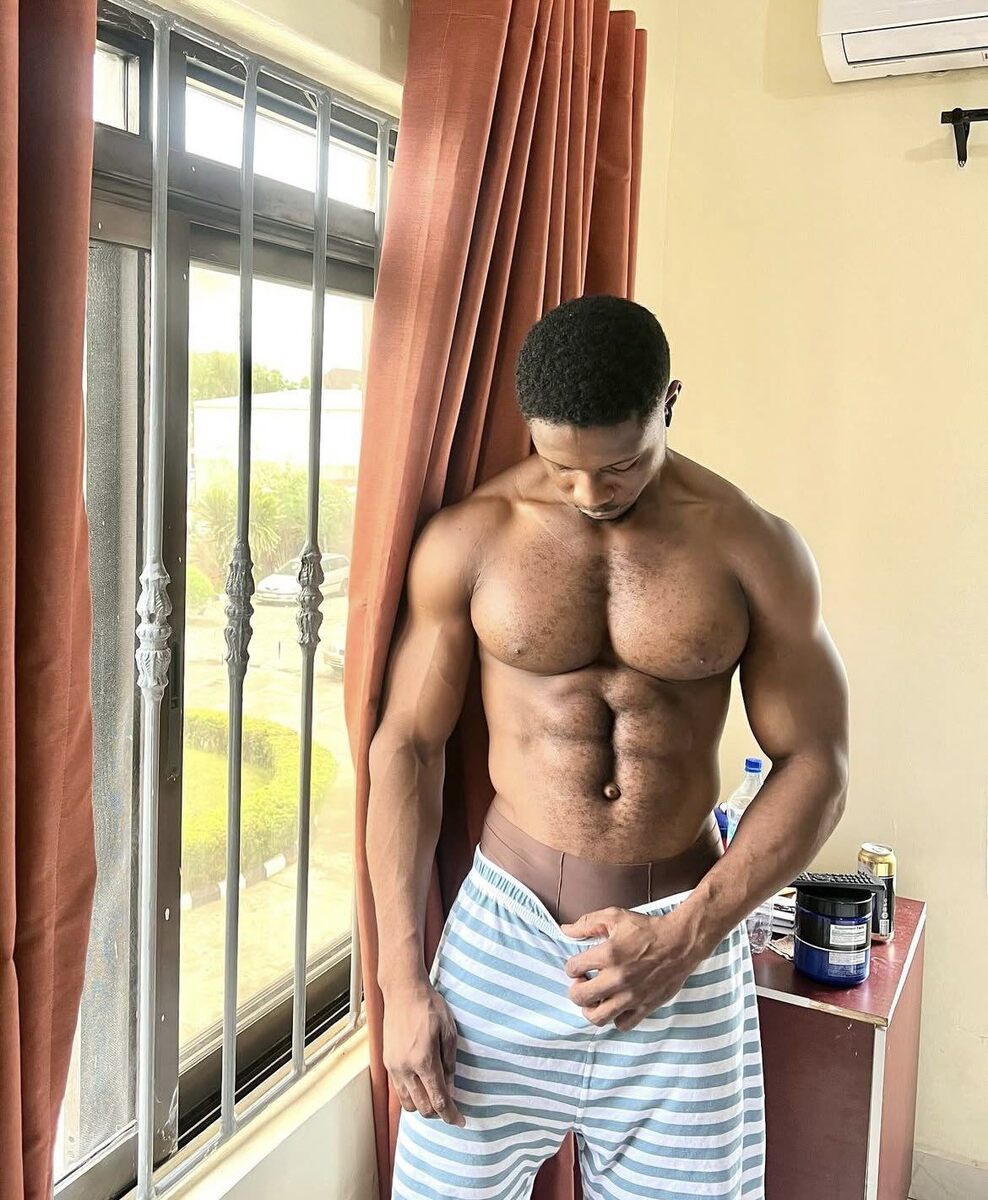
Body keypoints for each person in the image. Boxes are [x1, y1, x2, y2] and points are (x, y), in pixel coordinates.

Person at [366, 294, 849, 1199]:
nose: (591, 494)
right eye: (562, 467)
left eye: (620, 465)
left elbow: (818, 763)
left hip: (683, 944)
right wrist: (399, 981)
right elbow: (407, 749)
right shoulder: (472, 537)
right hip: (504, 939)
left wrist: (689, 937)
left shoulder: (753, 548)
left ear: (669, 403)